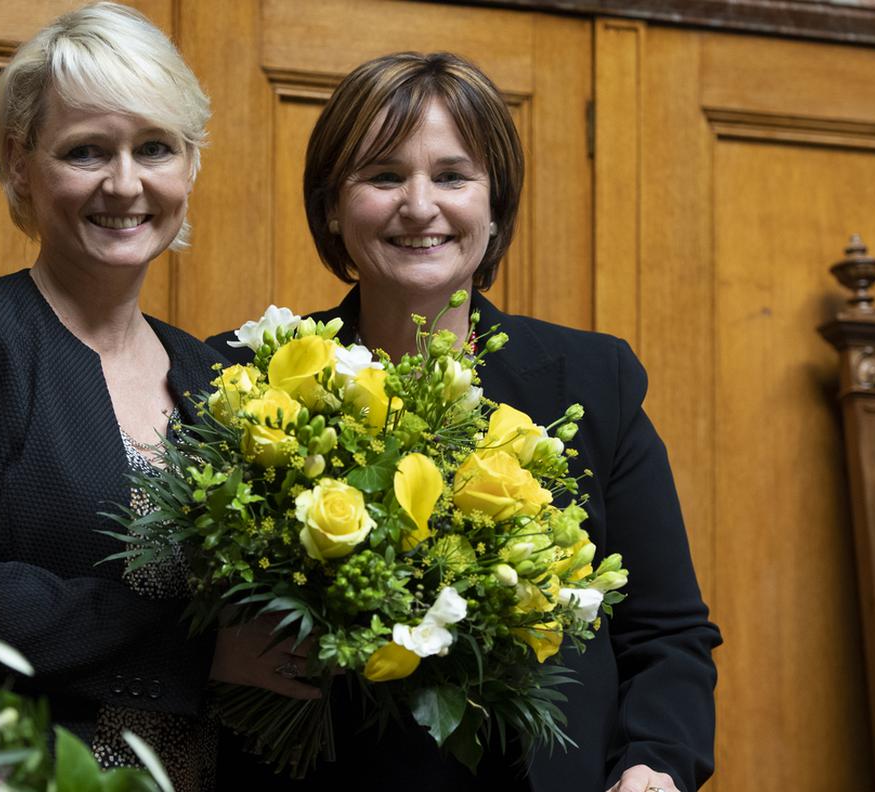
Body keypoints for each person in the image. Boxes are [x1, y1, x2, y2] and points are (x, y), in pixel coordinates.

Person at [207, 52, 721, 792]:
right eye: (384, 176)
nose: (420, 206)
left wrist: (654, 764)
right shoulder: (252, 380)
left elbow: (667, 633)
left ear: (495, 205)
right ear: (331, 206)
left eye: (452, 176)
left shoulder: (593, 380)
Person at [0, 4, 314, 789]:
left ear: (192, 167)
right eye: (86, 151)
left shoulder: (218, 379)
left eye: (155, 148)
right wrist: (199, 647)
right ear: (20, 163)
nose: (125, 183)